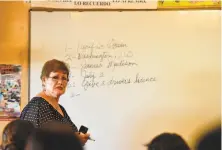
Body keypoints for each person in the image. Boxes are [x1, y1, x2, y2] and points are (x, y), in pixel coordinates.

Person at [20, 59, 90, 145]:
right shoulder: (38, 106)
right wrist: (73, 142)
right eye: (55, 77)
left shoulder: (60, 108)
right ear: (44, 80)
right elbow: (39, 145)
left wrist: (76, 139)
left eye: (64, 78)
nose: (60, 82)